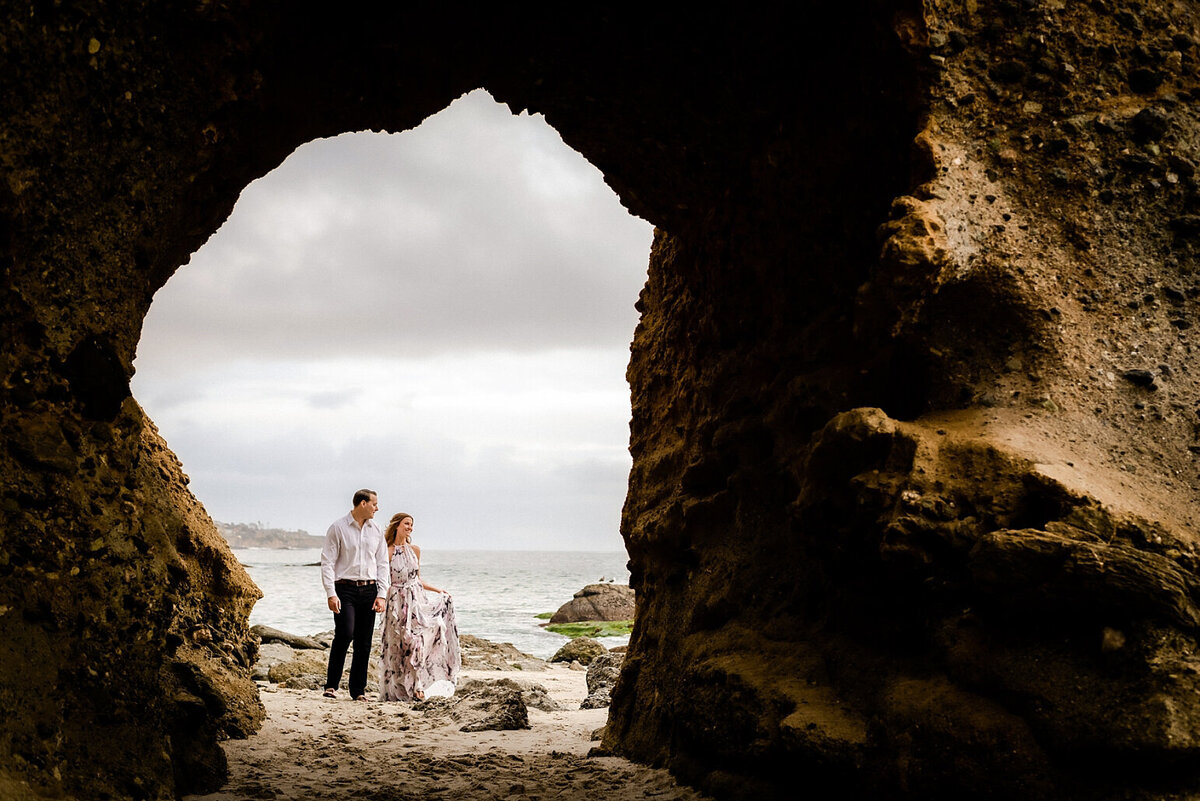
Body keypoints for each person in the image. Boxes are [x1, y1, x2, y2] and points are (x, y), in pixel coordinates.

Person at [379, 512, 461, 701]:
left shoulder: (415, 550)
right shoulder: (387, 551)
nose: (410, 527)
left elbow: (417, 579)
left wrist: (437, 590)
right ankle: (399, 689)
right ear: (397, 525)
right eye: (406, 524)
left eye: (411, 525)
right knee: (399, 646)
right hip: (397, 602)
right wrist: (381, 599)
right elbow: (383, 580)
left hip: (417, 601)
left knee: (418, 642)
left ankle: (418, 686)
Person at [320, 488, 389, 701]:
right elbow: (327, 562)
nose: (377, 508)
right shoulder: (338, 528)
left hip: (369, 590)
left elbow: (382, 563)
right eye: (374, 504)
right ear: (362, 503)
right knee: (345, 633)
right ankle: (331, 685)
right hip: (345, 589)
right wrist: (331, 593)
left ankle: (358, 691)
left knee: (364, 641)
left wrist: (382, 594)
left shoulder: (376, 529)